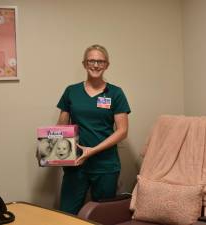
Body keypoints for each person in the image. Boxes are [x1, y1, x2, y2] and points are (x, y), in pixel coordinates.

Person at [56, 44, 131, 215]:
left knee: (102, 214)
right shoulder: (71, 91)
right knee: (67, 214)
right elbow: (61, 127)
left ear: (106, 65)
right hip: (76, 164)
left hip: (105, 166)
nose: (95, 65)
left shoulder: (116, 93)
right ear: (84, 63)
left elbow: (122, 131)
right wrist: (51, 148)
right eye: (91, 61)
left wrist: (92, 151)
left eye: (100, 61)